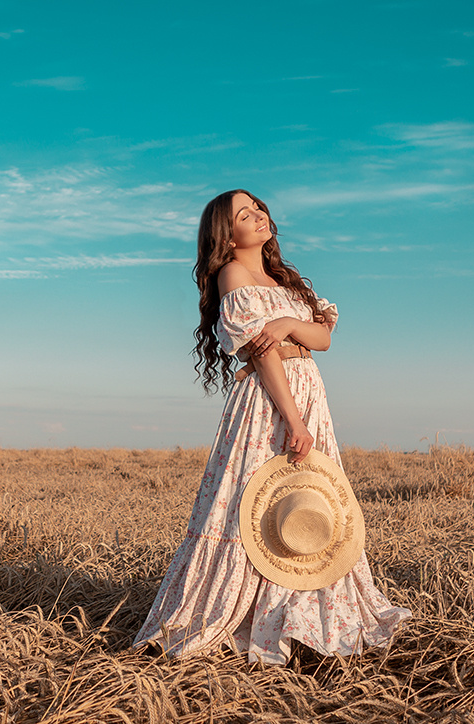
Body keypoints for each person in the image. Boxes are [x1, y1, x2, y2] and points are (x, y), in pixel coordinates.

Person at [133, 189, 411, 665]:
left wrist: (286, 322)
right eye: (244, 214)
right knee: (253, 501)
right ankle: (248, 614)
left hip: (307, 389)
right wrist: (294, 419)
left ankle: (302, 614)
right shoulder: (233, 273)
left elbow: (322, 338)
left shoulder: (284, 280)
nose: (258, 215)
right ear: (227, 235)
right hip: (270, 399)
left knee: (306, 498)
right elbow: (263, 355)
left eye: (258, 207)